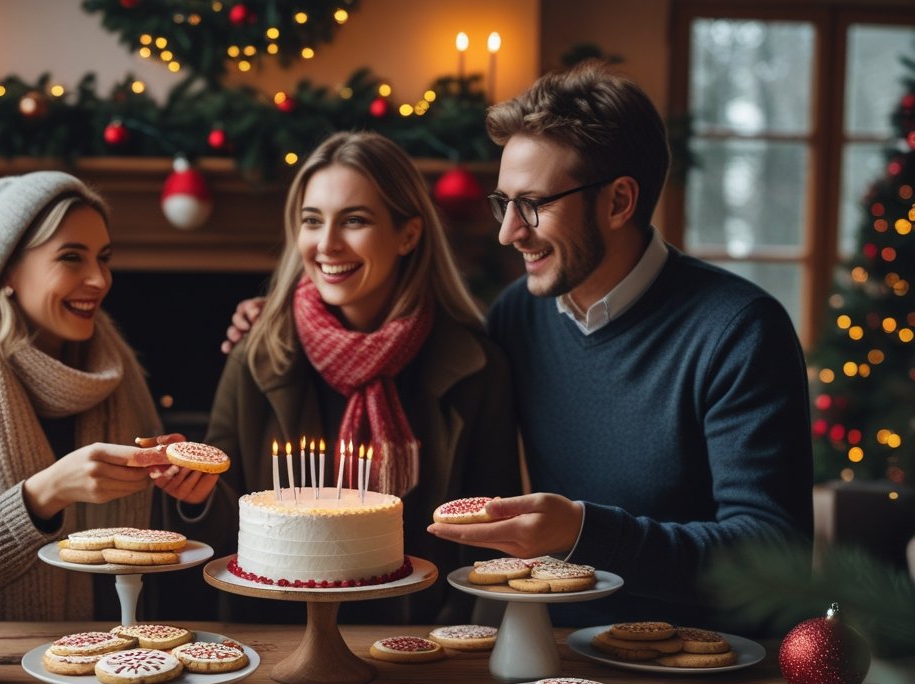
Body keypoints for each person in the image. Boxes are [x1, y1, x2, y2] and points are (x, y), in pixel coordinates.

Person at [426, 62, 813, 628]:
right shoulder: (516, 314)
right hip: (558, 650)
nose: (509, 232)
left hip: (715, 659)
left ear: (618, 202)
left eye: (533, 204)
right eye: (503, 203)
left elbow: (773, 556)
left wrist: (585, 532)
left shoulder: (741, 330)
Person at [185, 131, 520, 625]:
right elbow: (221, 523)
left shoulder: (475, 367)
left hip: (422, 644)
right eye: (312, 220)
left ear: (408, 234)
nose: (327, 244)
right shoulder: (258, 354)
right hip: (278, 640)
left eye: (354, 220)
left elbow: (490, 544)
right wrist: (191, 495)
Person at [0, 171, 217, 620]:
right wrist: (41, 497)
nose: (99, 279)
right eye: (71, 258)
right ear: (7, 271)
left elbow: (150, 548)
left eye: (104, 258)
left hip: (119, 649)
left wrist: (183, 497)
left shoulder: (117, 372)